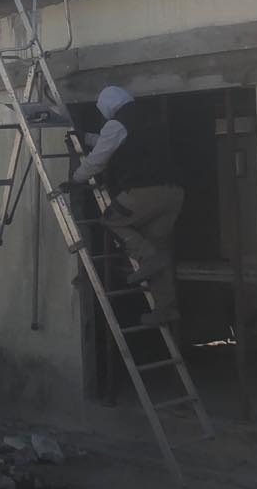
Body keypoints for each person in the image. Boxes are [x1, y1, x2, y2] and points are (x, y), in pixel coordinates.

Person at [68, 86, 183, 327]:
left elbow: (98, 160)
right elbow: (114, 141)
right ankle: (166, 309)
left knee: (112, 220)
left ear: (107, 107)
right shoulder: (149, 118)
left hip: (145, 191)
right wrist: (86, 138)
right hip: (173, 192)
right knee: (157, 247)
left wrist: (76, 179)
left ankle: (150, 258)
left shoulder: (117, 124)